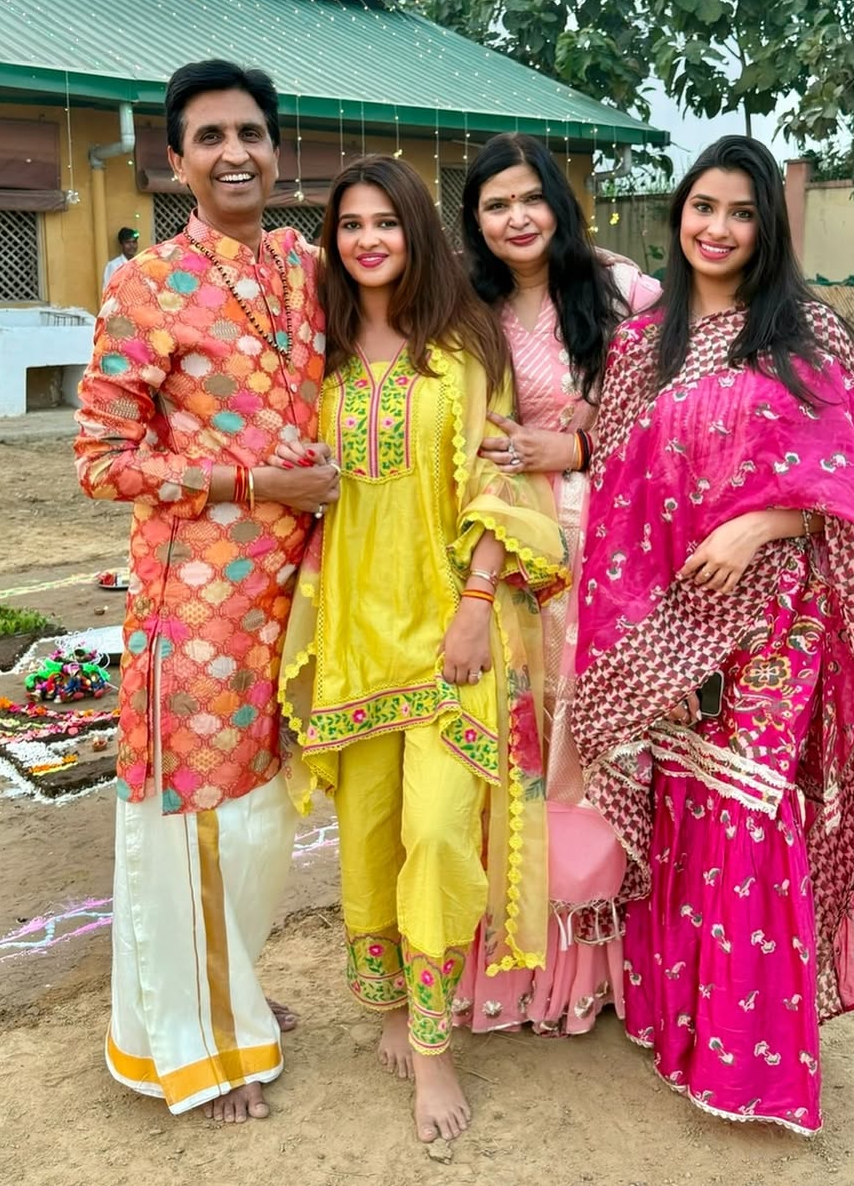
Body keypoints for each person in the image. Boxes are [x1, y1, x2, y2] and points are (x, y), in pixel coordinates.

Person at [572, 136, 854, 1135]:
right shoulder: (646, 345)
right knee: (682, 800)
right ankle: (673, 1025)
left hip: (776, 619)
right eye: (704, 207)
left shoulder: (807, 337)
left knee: (749, 809)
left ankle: (752, 1066)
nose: (719, 228)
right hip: (672, 619)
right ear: (679, 214)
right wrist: (640, 632)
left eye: (741, 211)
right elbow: (619, 493)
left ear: (767, 226)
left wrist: (760, 522)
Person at [274, 155, 568, 1142]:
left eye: (386, 221)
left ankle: (436, 1046)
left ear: (417, 231)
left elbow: (500, 480)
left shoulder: (464, 341)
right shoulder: (316, 352)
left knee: (439, 833)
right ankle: (394, 1005)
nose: (368, 240)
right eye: (350, 224)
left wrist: (478, 602)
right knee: (370, 837)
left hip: (450, 634)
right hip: (354, 636)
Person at [75, 60, 339, 1124]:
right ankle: (202, 1044)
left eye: (252, 134)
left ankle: (225, 997)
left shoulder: (310, 268)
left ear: (278, 151)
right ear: (176, 161)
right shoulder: (146, 285)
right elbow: (101, 460)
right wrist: (253, 482)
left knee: (266, 819)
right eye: (211, 137)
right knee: (200, 820)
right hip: (196, 607)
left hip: (302, 595)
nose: (236, 153)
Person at [452, 132, 659, 1037]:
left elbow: (669, 420)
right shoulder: (469, 310)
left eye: (530, 198)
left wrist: (573, 444)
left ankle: (602, 966)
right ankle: (523, 960)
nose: (516, 218)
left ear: (560, 203)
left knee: (597, 733)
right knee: (524, 735)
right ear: (476, 221)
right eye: (495, 205)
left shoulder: (623, 292)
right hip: (514, 548)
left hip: (613, 541)